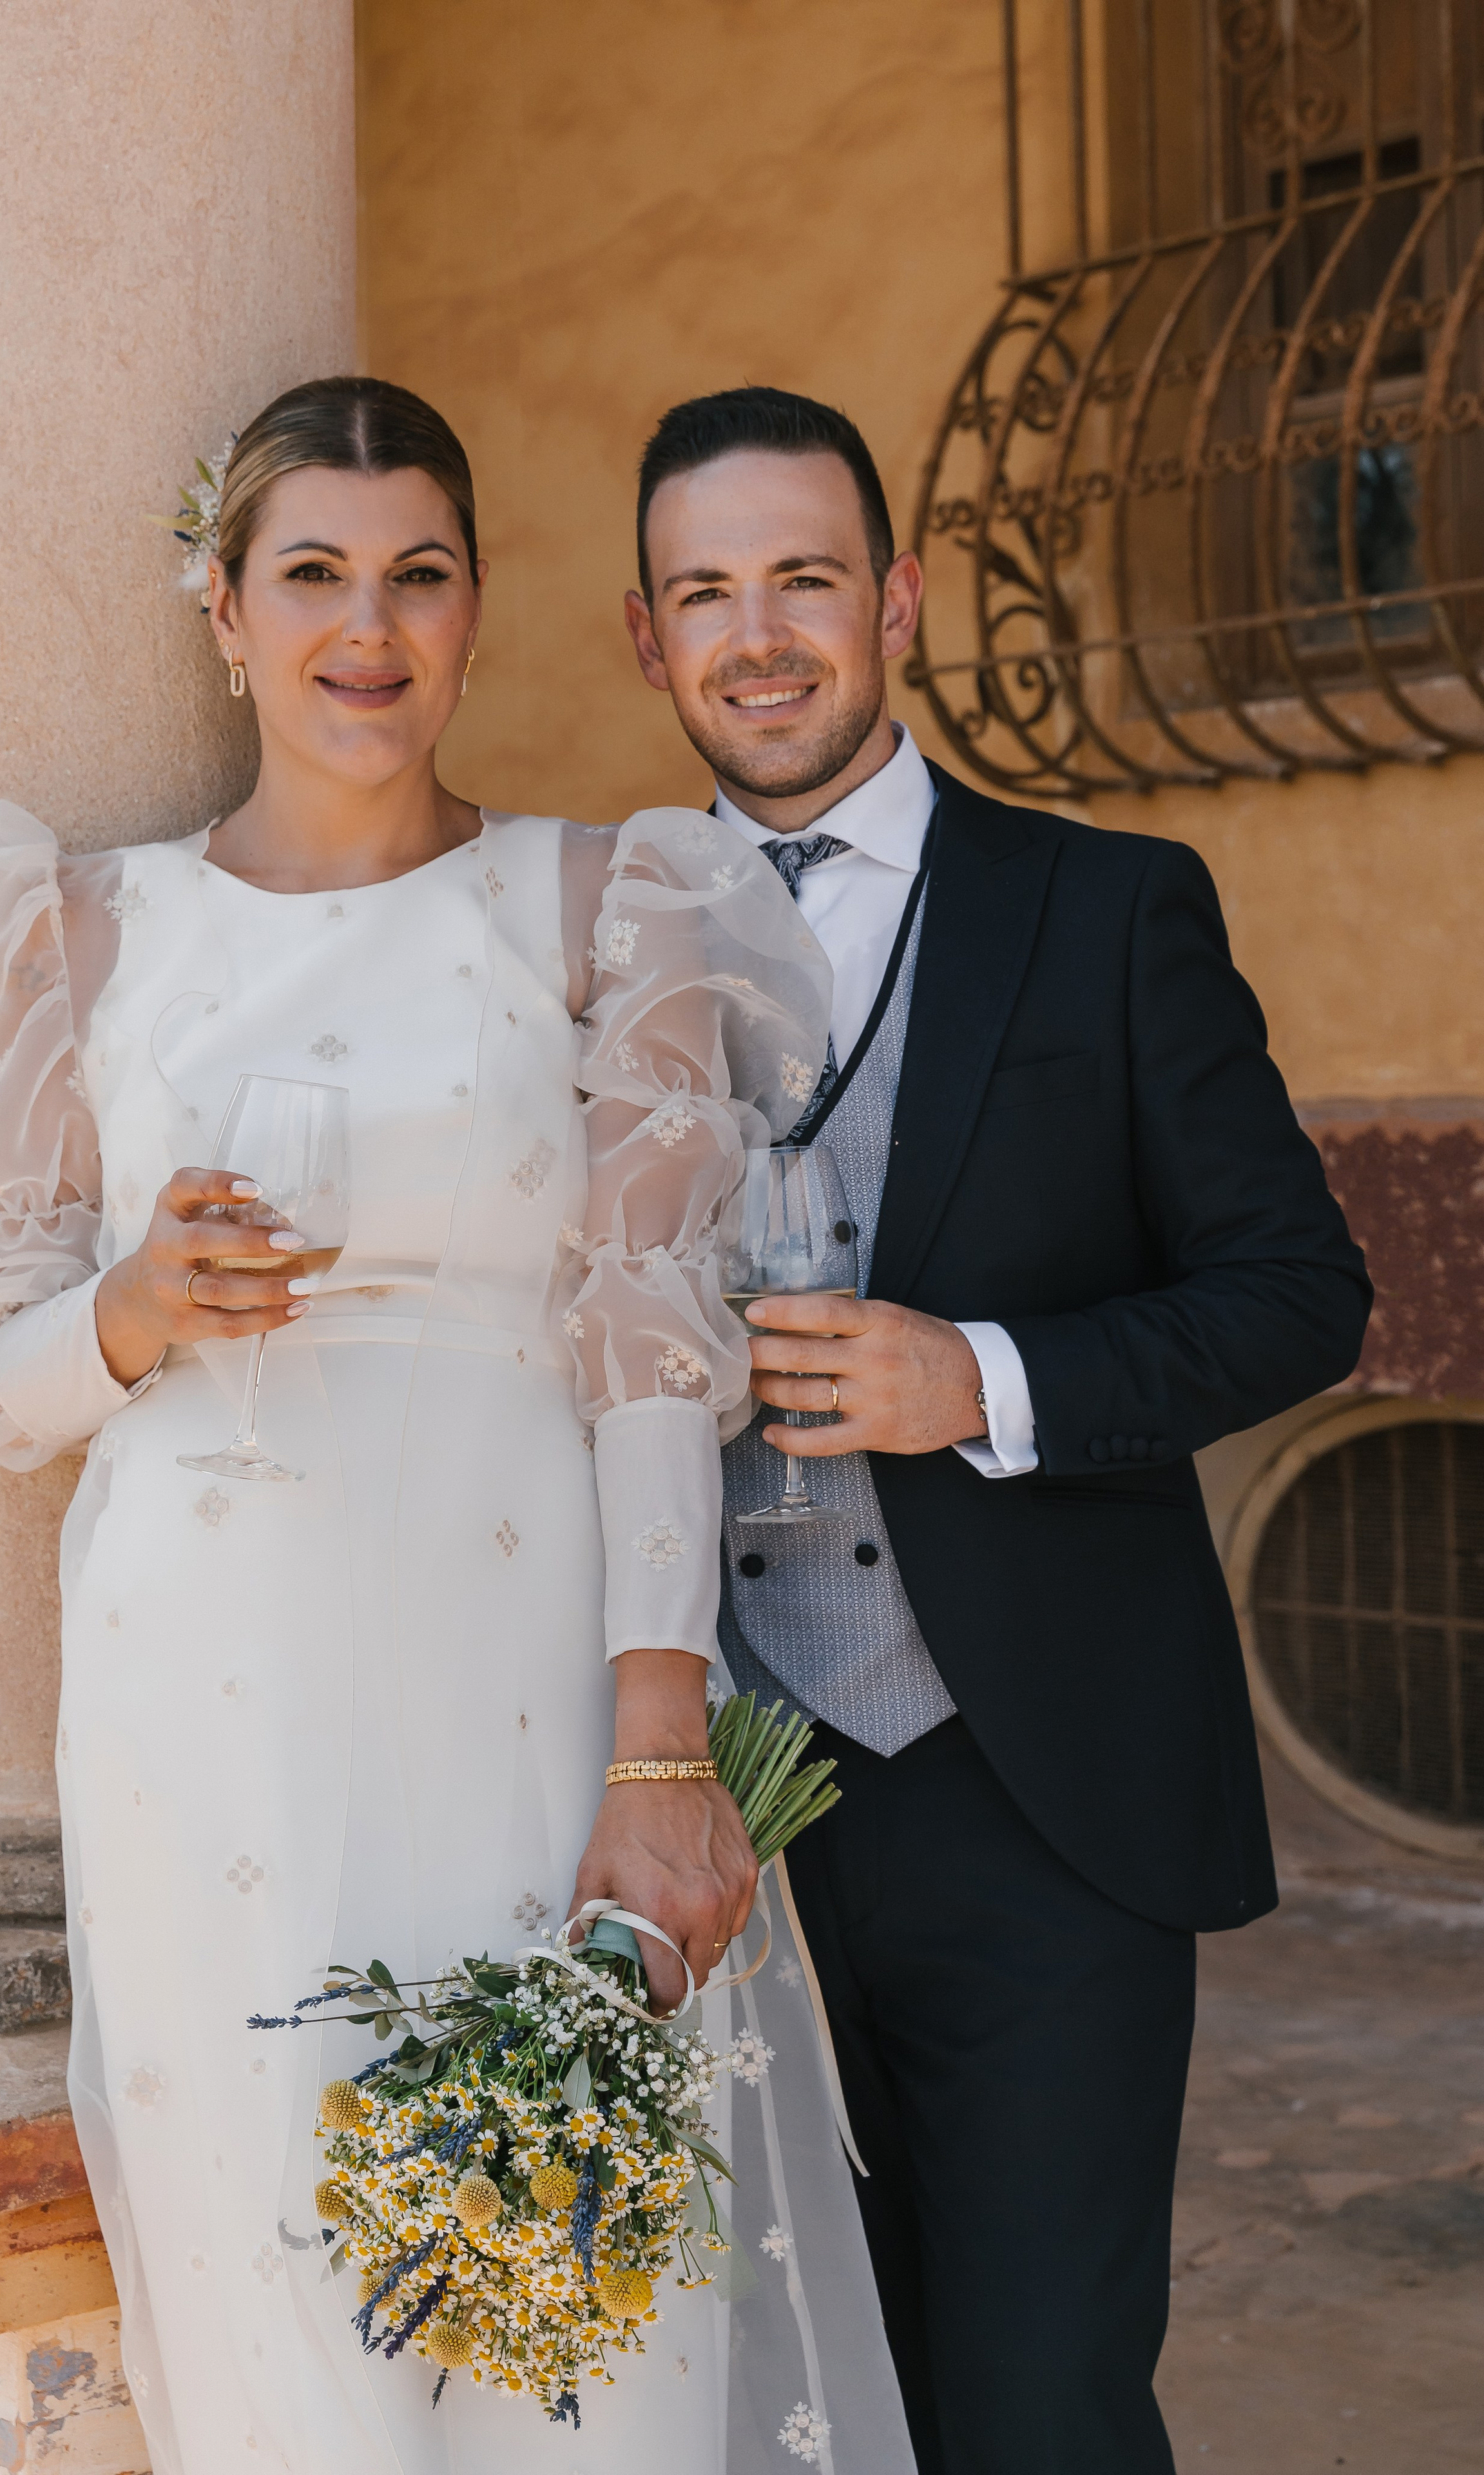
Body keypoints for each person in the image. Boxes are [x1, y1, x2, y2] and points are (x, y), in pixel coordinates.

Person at [0, 377, 919, 2475]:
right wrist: (127, 1312)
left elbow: (651, 1354)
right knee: (280, 2271)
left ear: (475, 613)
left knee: (572, 2295)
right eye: (315, 575)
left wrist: (659, 1747)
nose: (370, 627)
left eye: (419, 576)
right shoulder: (76, 930)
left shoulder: (600, 908)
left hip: (522, 1692)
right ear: (225, 610)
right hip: (201, 1690)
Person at [621, 384, 1373, 2474]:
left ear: (903, 602)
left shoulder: (1110, 906)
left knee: (1038, 2407)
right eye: (707, 592)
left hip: (1028, 1788)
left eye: (805, 579)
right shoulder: (596, 933)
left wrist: (990, 1380)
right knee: (775, 2402)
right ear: (644, 638)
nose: (759, 634)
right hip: (709, 1809)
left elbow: (1301, 1292)